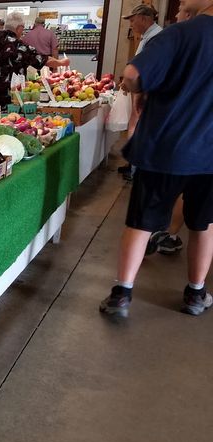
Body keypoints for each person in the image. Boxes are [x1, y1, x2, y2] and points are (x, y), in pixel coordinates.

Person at [99, 0, 213, 319]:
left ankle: (121, 294)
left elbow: (132, 74)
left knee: (142, 222)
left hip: (165, 145)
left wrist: (139, 90)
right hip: (210, 153)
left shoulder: (179, 35)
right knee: (204, 225)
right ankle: (195, 293)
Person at [143, 0, 196, 256]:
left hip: (176, 132)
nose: (175, 14)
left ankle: (162, 232)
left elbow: (136, 76)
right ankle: (168, 233)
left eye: (181, 9)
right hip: (195, 135)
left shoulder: (175, 40)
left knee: (175, 187)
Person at [0, 13, 69, 108]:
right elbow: (43, 60)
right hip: (7, 99)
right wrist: (62, 62)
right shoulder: (19, 46)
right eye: (22, 28)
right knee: (6, 122)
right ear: (19, 28)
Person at [119, 6, 163, 180]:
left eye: (132, 19)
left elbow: (144, 69)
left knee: (136, 126)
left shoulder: (156, 37)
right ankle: (132, 164)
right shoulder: (149, 36)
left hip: (145, 90)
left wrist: (130, 83)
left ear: (144, 18)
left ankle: (135, 167)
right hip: (142, 89)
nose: (131, 24)